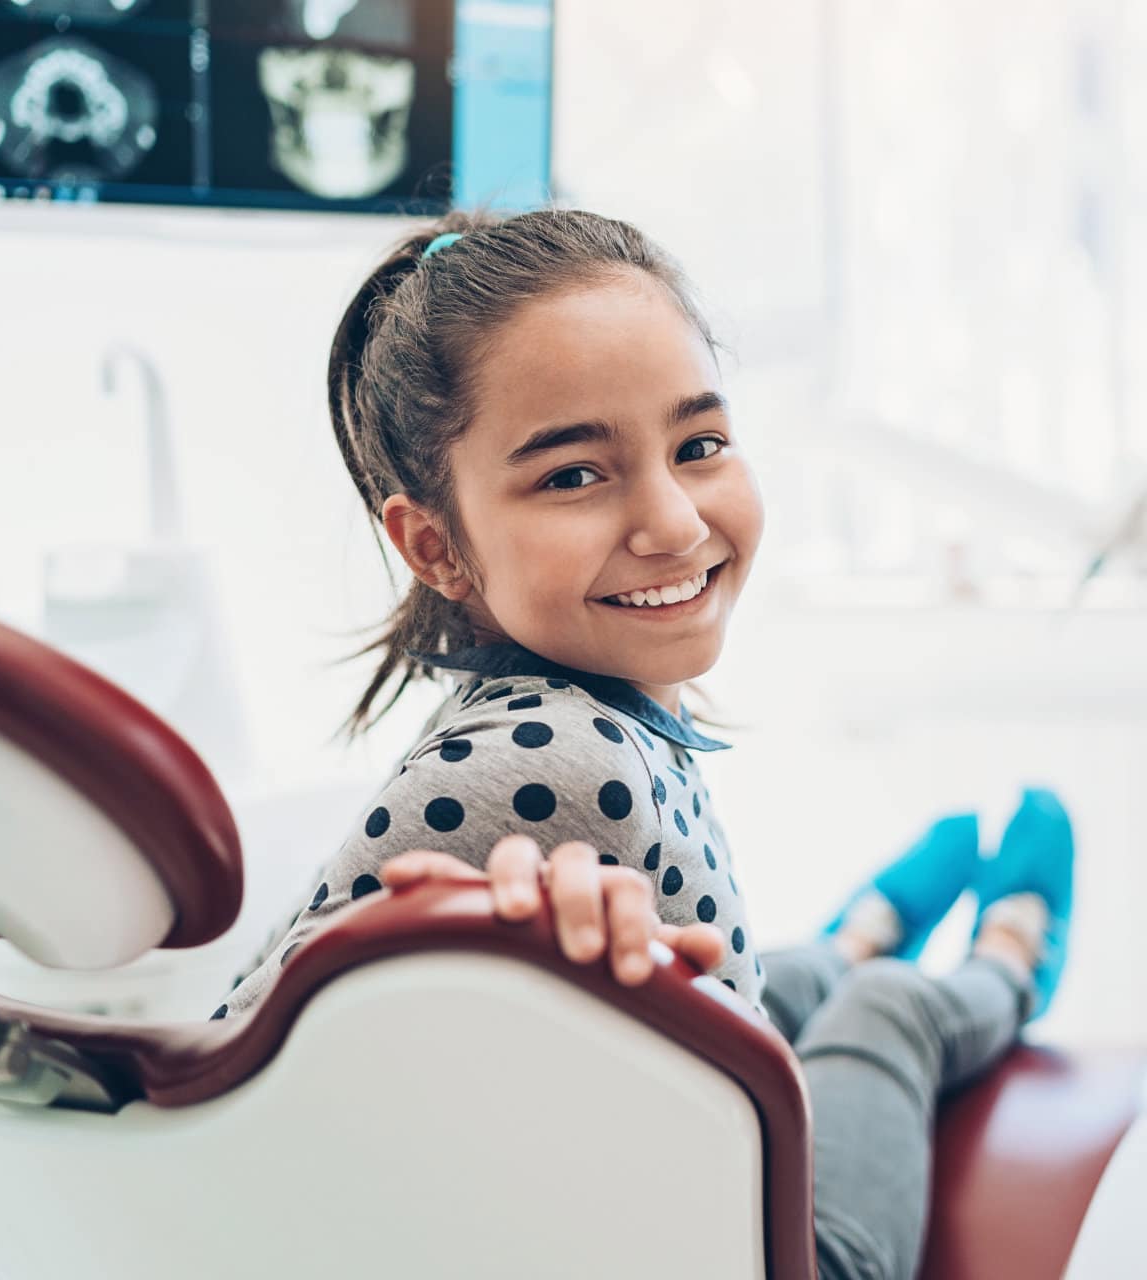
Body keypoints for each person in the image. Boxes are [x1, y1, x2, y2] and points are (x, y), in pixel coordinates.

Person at [217, 209, 1076, 1280]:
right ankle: (1011, 955)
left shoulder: (538, 713)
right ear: (434, 544)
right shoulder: (562, 771)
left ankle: (858, 936)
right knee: (894, 1015)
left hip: (645, 1159)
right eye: (575, 473)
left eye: (699, 445)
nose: (672, 521)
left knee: (765, 987)